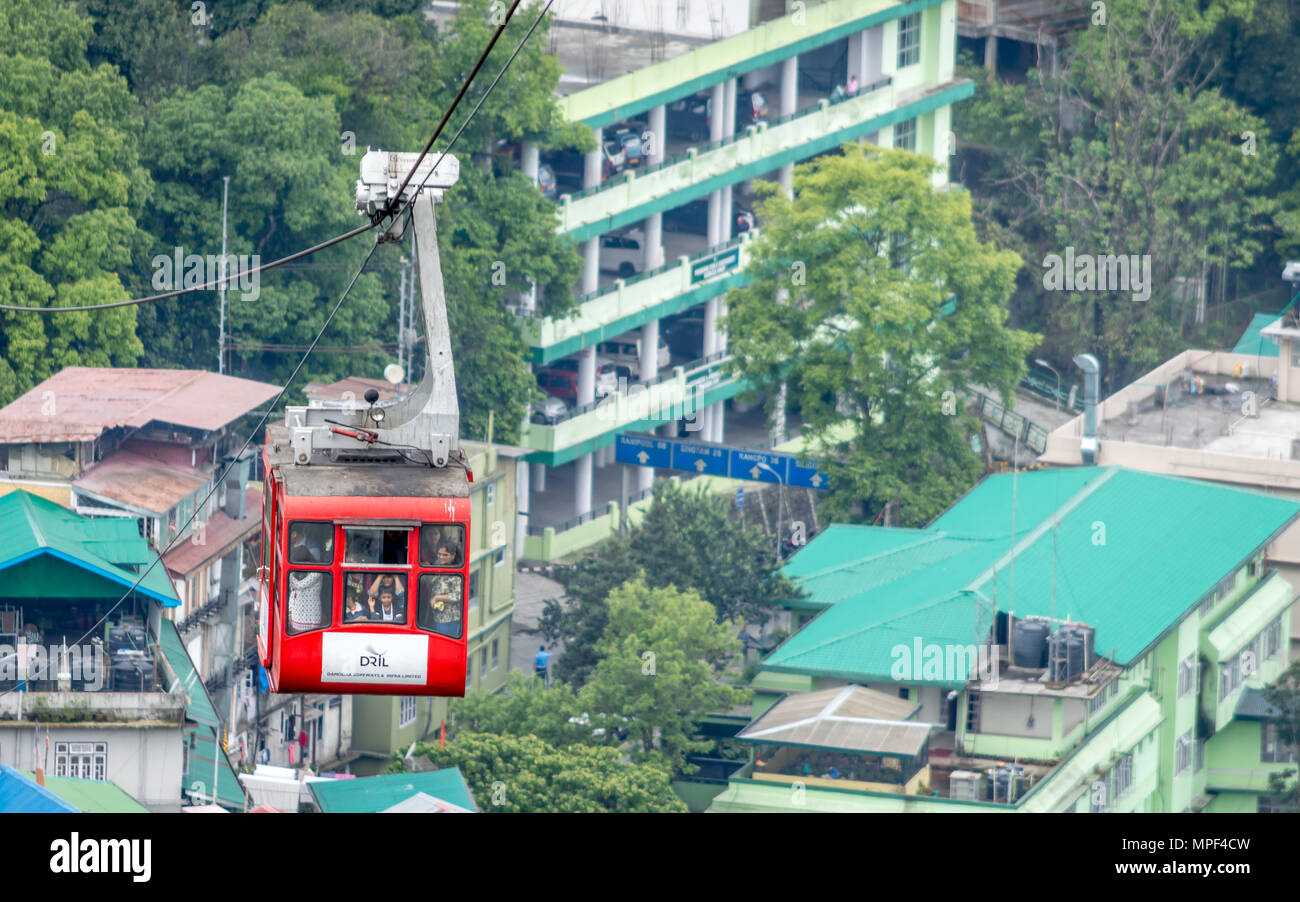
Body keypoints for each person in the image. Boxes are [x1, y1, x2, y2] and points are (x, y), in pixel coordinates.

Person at [418, 573, 463, 637]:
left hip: (451, 619)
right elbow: (421, 578)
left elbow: (458, 596)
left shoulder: (455, 575)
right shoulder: (435, 573)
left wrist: (438, 598)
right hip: (437, 618)